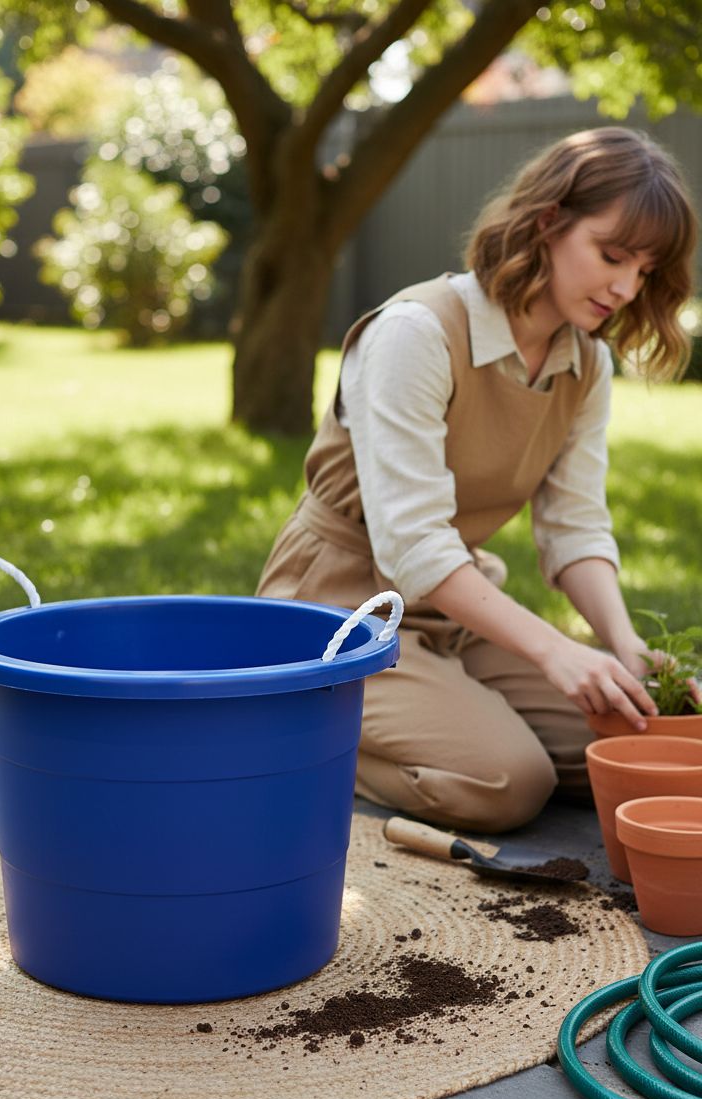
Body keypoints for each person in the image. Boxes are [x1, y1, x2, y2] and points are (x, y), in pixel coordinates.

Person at [256, 127, 698, 832]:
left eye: (644, 270)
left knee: (625, 746)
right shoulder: (417, 333)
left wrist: (624, 646)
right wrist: (553, 649)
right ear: (548, 222)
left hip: (456, 610)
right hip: (339, 611)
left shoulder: (585, 363)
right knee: (505, 782)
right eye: (611, 255)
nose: (625, 286)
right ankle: (285, 733)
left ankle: (443, 705)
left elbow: (575, 527)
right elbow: (413, 547)